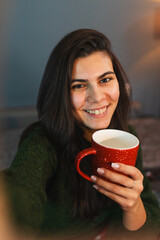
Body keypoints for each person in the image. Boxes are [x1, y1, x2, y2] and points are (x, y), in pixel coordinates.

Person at [1, 29, 160, 240]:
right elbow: (20, 193)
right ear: (61, 95)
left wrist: (133, 205)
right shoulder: (42, 144)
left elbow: (151, 223)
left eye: (105, 80)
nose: (97, 97)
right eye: (79, 85)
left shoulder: (127, 137)